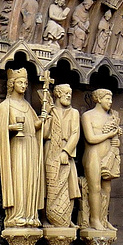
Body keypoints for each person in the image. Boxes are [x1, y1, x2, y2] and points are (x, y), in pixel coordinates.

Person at [0, 68, 44, 228]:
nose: (23, 85)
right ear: (12, 84)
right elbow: (2, 130)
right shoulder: (6, 105)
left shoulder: (27, 105)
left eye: (25, 83)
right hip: (17, 147)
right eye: (20, 82)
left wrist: (44, 118)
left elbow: (35, 125)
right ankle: (17, 215)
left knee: (30, 180)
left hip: (31, 146)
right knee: (19, 179)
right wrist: (12, 128)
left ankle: (30, 214)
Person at [81, 89, 122, 231]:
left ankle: (104, 219)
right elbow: (91, 138)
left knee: (107, 189)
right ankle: (94, 219)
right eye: (107, 98)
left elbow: (115, 140)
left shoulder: (112, 117)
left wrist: (116, 142)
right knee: (95, 188)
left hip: (108, 156)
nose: (110, 101)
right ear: (98, 99)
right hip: (93, 155)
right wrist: (110, 134)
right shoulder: (88, 116)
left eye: (111, 99)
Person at [43, 84, 81, 227]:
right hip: (50, 149)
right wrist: (46, 116)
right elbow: (45, 134)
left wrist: (66, 151)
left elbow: (75, 133)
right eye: (66, 93)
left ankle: (65, 216)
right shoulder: (51, 111)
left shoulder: (74, 113)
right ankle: (45, 218)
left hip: (66, 151)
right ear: (57, 94)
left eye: (70, 93)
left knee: (69, 185)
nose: (69, 96)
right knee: (47, 184)